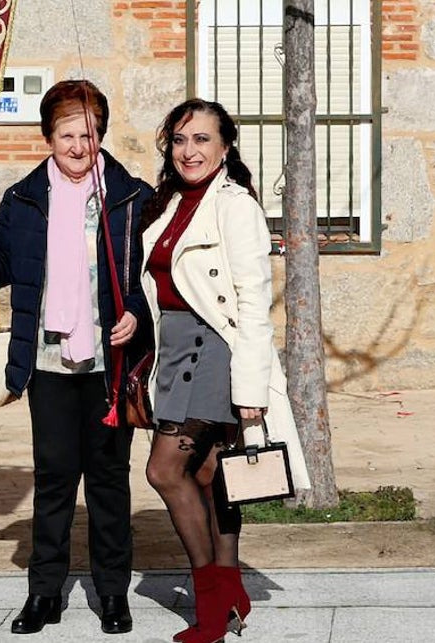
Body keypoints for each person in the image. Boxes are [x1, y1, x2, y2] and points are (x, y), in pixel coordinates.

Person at [0, 79, 154, 636]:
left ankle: (113, 592)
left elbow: (151, 274)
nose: (78, 145)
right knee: (56, 477)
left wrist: (134, 309)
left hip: (108, 362)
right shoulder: (23, 199)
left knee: (109, 479)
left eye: (88, 134)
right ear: (48, 136)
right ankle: (46, 592)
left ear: (101, 135)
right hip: (48, 362)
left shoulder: (131, 197)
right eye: (67, 134)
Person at [138, 99, 310, 643]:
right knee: (209, 474)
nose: (189, 151)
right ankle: (230, 588)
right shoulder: (169, 202)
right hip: (173, 348)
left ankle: (210, 604)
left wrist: (251, 389)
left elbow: (253, 303)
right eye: (181, 140)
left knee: (165, 471)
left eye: (202, 140)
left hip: (213, 349)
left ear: (225, 147)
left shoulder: (236, 206)